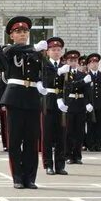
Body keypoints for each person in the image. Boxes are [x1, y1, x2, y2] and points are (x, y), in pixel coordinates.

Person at [0, 18, 47, 188]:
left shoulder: (36, 53)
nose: (22, 34)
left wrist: (43, 82)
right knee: (15, 139)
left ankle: (30, 177)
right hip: (15, 98)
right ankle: (17, 177)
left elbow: (48, 70)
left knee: (31, 140)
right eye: (18, 32)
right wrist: (35, 48)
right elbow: (9, 52)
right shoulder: (9, 49)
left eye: (25, 32)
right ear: (11, 35)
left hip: (33, 98)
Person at [39, 37, 68, 175]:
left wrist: (64, 100)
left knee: (61, 136)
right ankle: (48, 164)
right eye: (53, 50)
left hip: (61, 103)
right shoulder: (43, 65)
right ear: (48, 52)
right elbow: (46, 81)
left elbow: (69, 85)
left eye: (58, 50)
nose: (56, 52)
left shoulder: (65, 66)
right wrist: (59, 73)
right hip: (48, 102)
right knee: (48, 135)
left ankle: (60, 165)